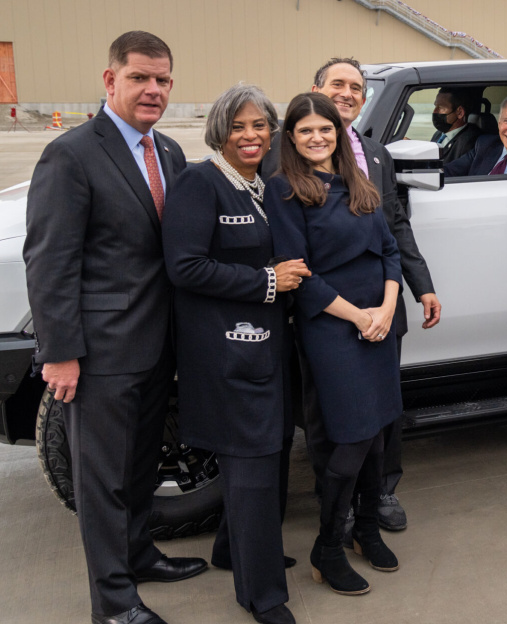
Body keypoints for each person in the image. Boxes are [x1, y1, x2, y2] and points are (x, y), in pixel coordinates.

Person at [23, 30, 207, 624]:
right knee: (100, 482)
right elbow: (50, 262)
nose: (153, 90)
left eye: (162, 80)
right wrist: (60, 353)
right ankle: (114, 602)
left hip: (156, 347)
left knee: (138, 469)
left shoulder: (170, 153)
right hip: (100, 353)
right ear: (111, 80)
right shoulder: (72, 154)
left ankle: (138, 554)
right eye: (139, 78)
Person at [263, 57, 441, 535]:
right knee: (333, 415)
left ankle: (379, 495)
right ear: (316, 89)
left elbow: (393, 229)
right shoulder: (280, 167)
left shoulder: (373, 156)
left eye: (356, 88)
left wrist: (414, 288)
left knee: (385, 410)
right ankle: (335, 506)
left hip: (382, 311)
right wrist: (358, 317)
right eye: (337, 84)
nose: (347, 94)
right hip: (330, 316)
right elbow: (292, 261)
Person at [162, 84, 309, 624]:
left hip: (269, 348)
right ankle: (263, 595)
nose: (250, 136)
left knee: (268, 453)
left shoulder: (263, 186)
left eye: (260, 126)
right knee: (250, 465)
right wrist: (266, 282)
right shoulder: (199, 185)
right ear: (219, 130)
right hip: (226, 350)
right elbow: (185, 267)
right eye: (239, 126)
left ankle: (234, 550)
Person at [265, 92, 404, 596]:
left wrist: (386, 309)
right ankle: (327, 545)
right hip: (333, 327)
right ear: (292, 138)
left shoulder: (356, 182)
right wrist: (359, 316)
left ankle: (366, 530)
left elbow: (389, 250)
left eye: (326, 128)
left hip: (378, 322)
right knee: (352, 437)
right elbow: (301, 277)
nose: (318, 137)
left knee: (380, 432)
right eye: (305, 131)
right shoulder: (284, 191)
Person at [431, 88, 481, 163]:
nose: (435, 111)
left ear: (460, 113)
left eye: (441, 108)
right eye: (435, 106)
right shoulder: (438, 134)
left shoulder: (470, 142)